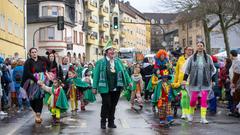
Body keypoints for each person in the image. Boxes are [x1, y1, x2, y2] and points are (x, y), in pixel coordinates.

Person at [93, 39, 132, 129]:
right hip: (105, 87)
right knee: (107, 104)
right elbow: (96, 75)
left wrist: (129, 81)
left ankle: (111, 122)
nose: (112, 51)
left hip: (116, 87)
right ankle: (103, 121)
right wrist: (94, 87)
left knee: (113, 105)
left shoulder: (118, 61)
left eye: (113, 50)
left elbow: (124, 72)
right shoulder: (100, 62)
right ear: (106, 52)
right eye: (110, 50)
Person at [182, 41, 216, 124]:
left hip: (205, 82)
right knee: (193, 100)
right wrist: (184, 80)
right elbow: (187, 70)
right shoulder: (192, 58)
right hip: (194, 82)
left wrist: (213, 80)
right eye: (198, 46)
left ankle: (203, 118)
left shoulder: (208, 57)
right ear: (196, 47)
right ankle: (190, 114)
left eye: (201, 46)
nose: (199, 47)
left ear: (203, 47)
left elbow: (213, 70)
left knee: (204, 100)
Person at [21, 48, 49, 124]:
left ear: (37, 52)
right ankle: (37, 113)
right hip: (31, 82)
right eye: (32, 52)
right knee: (32, 99)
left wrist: (46, 76)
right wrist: (36, 80)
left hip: (41, 81)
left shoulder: (41, 60)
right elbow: (27, 73)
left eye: (35, 52)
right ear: (30, 54)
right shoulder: (28, 62)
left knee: (40, 98)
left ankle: (38, 114)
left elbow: (44, 69)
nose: (34, 53)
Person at [171, 46, 193, 119]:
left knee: (190, 97)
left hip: (191, 80)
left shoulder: (194, 59)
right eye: (188, 50)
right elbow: (177, 71)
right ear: (185, 51)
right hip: (182, 81)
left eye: (191, 50)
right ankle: (184, 112)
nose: (190, 51)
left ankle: (189, 112)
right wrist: (175, 81)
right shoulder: (180, 59)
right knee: (184, 96)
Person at [229, 50, 240, 117]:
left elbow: (237, 73)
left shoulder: (237, 61)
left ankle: (236, 111)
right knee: (235, 97)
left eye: (230, 54)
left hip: (237, 83)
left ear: (231, 55)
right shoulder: (235, 61)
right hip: (235, 82)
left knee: (236, 97)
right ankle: (235, 110)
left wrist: (233, 83)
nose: (229, 56)